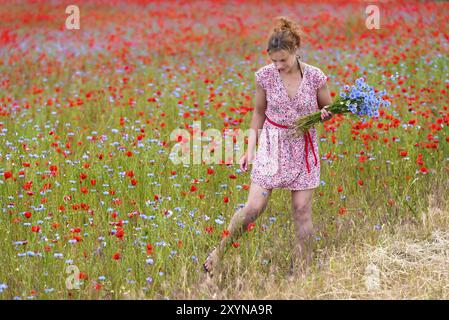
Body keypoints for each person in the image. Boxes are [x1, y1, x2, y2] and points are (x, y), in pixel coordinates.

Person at [203, 16, 333, 277]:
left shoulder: (316, 77)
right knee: (253, 209)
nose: (278, 65)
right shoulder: (265, 76)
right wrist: (250, 148)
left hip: (302, 149)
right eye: (274, 60)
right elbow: (258, 113)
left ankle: (304, 272)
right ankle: (219, 252)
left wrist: (328, 114)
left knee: (302, 211)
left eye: (283, 60)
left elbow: (327, 108)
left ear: (296, 50)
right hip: (272, 146)